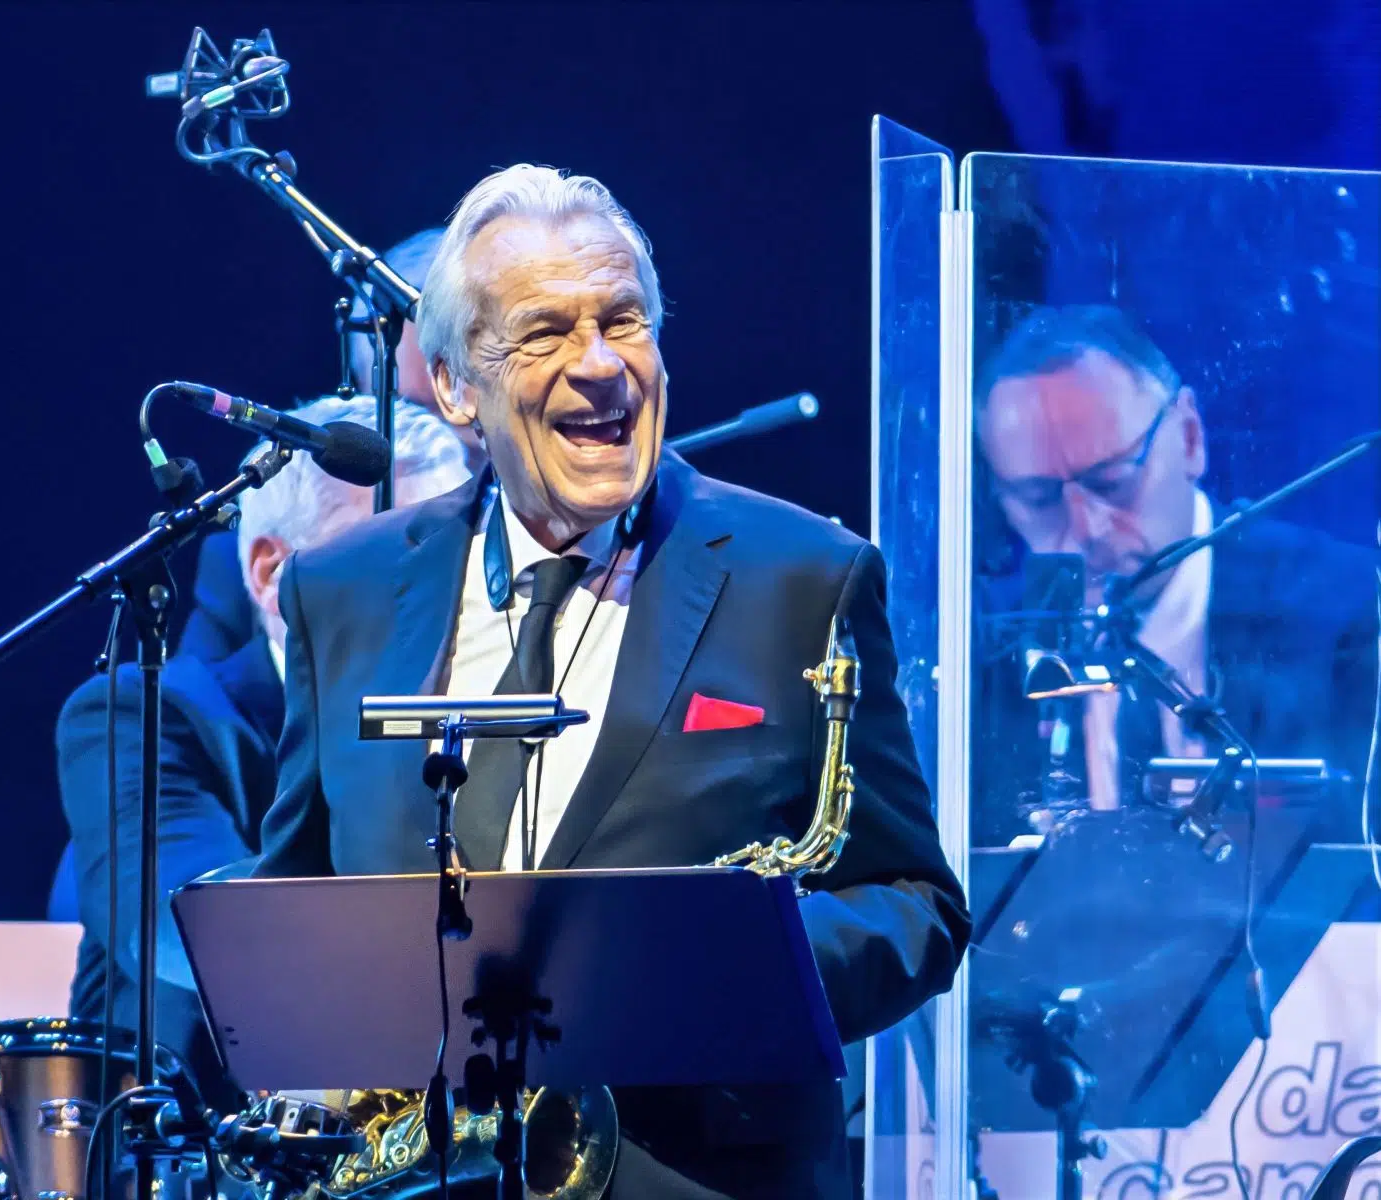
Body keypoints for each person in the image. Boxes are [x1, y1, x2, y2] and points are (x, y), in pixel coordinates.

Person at [249, 164, 970, 1199]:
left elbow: (915, 904)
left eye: (623, 321)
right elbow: (298, 898)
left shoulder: (804, 575)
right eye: (545, 333)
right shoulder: (342, 588)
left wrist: (721, 965)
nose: (600, 367)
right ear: (454, 386)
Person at [55, 394, 471, 1110]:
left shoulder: (465, 713)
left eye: (453, 561)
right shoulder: (141, 713)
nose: (438, 594)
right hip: (194, 1149)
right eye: (392, 550)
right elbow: (195, 923)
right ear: (270, 573)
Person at [972, 304, 1377, 844]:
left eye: (1112, 482)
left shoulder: (1343, 614)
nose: (1084, 530)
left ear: (1189, 437)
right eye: (1038, 499)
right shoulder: (977, 650)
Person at [179, 227, 485, 662]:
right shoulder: (269, 550)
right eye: (413, 411)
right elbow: (206, 712)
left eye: (468, 406)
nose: (441, 438)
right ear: (364, 393)